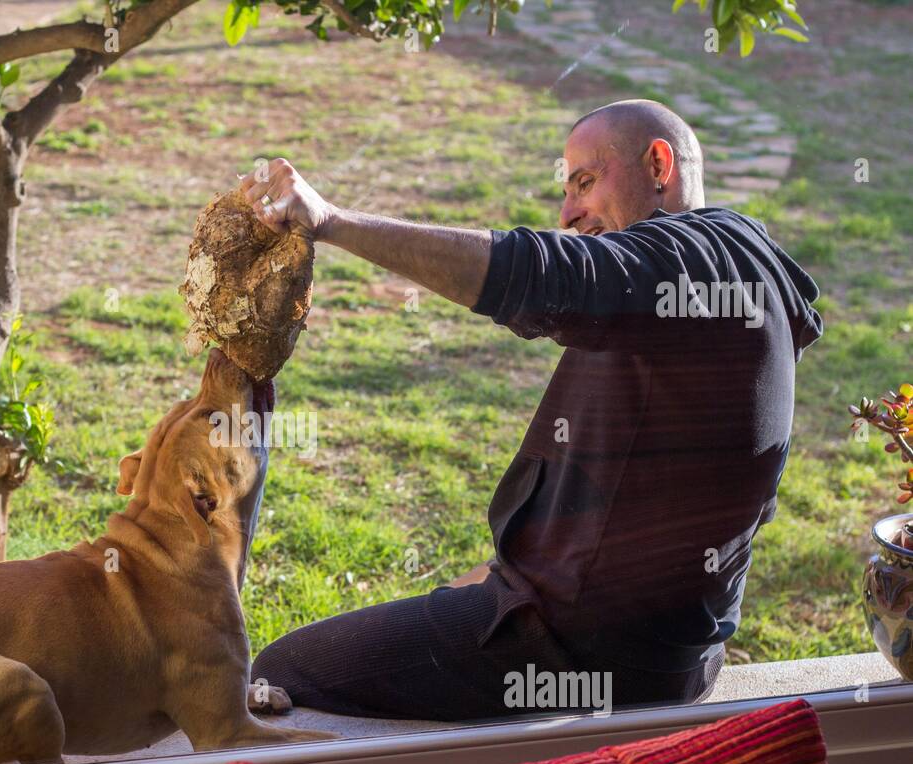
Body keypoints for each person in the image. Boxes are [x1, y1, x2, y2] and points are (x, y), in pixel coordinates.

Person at [247, 99, 823, 722]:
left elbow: (543, 276)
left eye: (585, 181)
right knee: (431, 615)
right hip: (678, 650)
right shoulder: (733, 270)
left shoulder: (694, 264)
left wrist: (330, 220)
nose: (569, 211)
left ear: (659, 164)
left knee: (277, 675)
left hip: (578, 653)